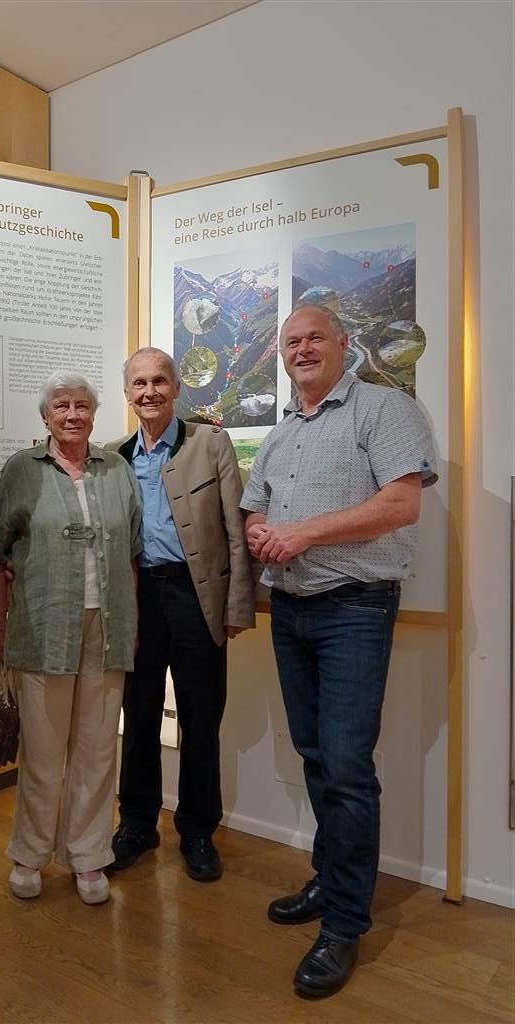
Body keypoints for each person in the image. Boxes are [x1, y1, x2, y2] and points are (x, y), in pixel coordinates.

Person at [240, 304, 437, 999]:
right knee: (317, 756)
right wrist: (261, 530)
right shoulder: (282, 432)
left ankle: (346, 924)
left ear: (342, 343)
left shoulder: (384, 409)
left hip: (355, 609)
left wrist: (302, 534)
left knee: (348, 767)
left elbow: (400, 505)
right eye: (291, 342)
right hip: (291, 609)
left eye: (314, 338)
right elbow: (256, 504)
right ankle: (330, 879)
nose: (302, 349)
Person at [0, 372, 141, 906]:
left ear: (94, 413)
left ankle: (89, 855)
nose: (73, 414)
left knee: (97, 751)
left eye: (82, 406)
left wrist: (134, 622)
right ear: (45, 416)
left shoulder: (116, 469)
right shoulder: (21, 470)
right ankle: (30, 854)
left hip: (108, 627)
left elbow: (131, 553)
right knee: (44, 752)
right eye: (61, 406)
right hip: (43, 626)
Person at [106, 347, 255, 882]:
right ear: (128, 392)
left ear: (175, 387)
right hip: (138, 599)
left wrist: (237, 605)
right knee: (138, 716)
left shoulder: (210, 443)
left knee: (200, 717)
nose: (150, 391)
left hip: (196, 598)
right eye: (139, 383)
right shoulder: (114, 456)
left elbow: (236, 531)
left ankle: (197, 831)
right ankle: (137, 825)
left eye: (159, 381)